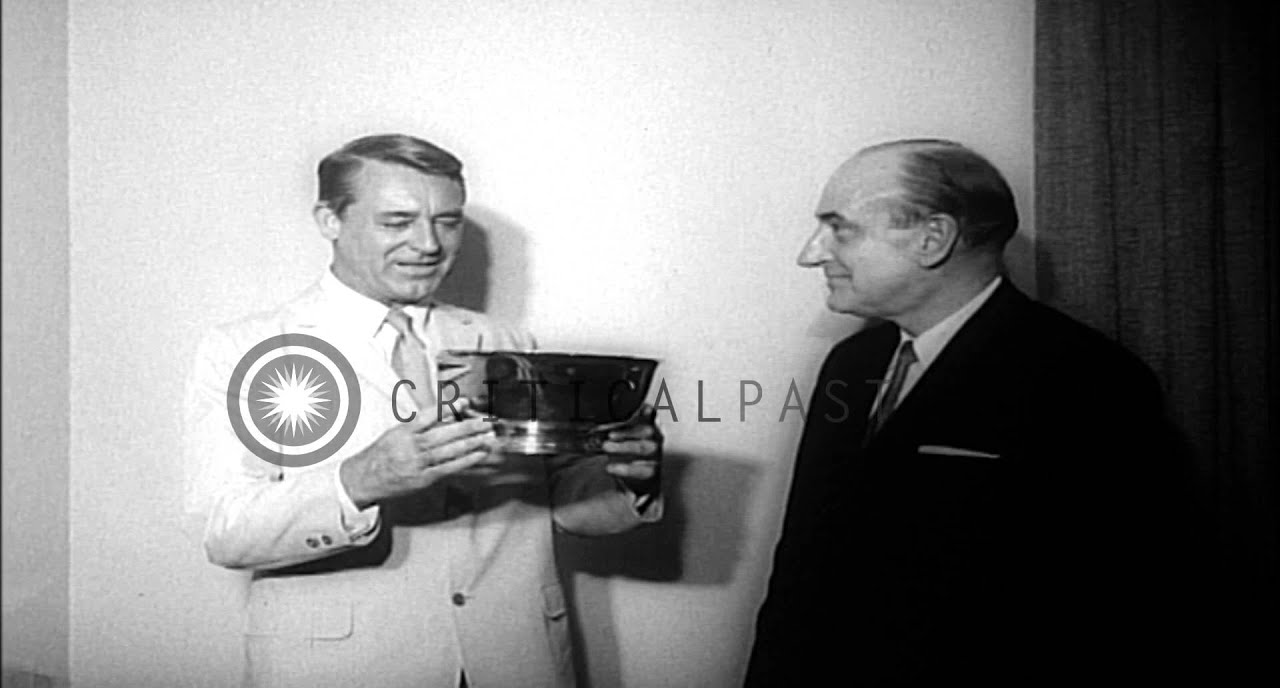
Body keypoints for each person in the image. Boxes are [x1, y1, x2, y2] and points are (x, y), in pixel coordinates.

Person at [183, 133, 662, 688]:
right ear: (329, 220)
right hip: (340, 672)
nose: (429, 243)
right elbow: (226, 532)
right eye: (397, 221)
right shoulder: (250, 349)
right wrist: (361, 480)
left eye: (447, 221)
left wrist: (628, 478)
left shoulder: (505, 340)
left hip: (516, 662)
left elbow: (564, 507)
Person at [745, 139, 1197, 686]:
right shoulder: (851, 364)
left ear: (933, 239)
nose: (811, 252)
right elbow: (800, 568)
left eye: (840, 228)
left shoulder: (1087, 378)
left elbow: (1122, 614)